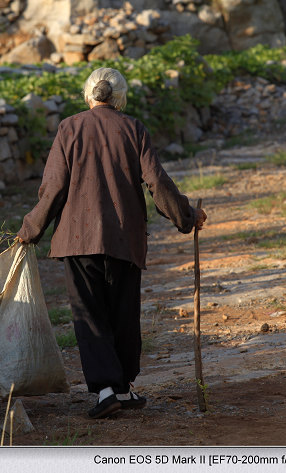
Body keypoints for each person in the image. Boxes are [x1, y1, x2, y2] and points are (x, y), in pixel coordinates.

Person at [17, 67, 207, 419]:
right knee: (123, 312)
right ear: (119, 97)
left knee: (89, 314)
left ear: (89, 95)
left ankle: (108, 391)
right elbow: (157, 182)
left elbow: (54, 187)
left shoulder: (69, 128)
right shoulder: (133, 128)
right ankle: (122, 388)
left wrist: (31, 229)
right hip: (123, 238)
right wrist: (186, 216)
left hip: (77, 239)